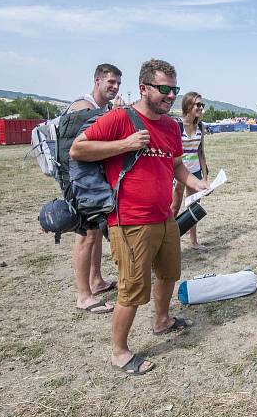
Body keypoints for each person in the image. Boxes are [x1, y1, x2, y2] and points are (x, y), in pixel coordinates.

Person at [71, 58, 208, 376]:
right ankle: (119, 351)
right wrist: (125, 144)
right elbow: (78, 149)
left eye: (174, 89)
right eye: (164, 89)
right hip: (129, 221)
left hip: (165, 217)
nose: (171, 95)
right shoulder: (120, 118)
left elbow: (175, 165)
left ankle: (162, 320)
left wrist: (197, 183)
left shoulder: (171, 126)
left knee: (169, 273)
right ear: (144, 87)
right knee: (132, 288)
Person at [68, 63, 125, 315]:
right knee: (85, 236)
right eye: (110, 82)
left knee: (95, 233)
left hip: (93, 181)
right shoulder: (83, 107)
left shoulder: (101, 109)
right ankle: (83, 295)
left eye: (118, 83)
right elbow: (79, 150)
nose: (114, 87)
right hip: (80, 183)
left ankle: (96, 280)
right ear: (97, 80)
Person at [176, 91, 210, 251]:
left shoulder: (201, 127)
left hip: (195, 172)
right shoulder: (177, 126)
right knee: (173, 208)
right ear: (188, 105)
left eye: (202, 105)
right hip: (178, 172)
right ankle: (170, 241)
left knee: (193, 207)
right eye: (198, 104)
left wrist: (205, 176)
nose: (201, 107)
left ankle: (194, 241)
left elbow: (201, 152)